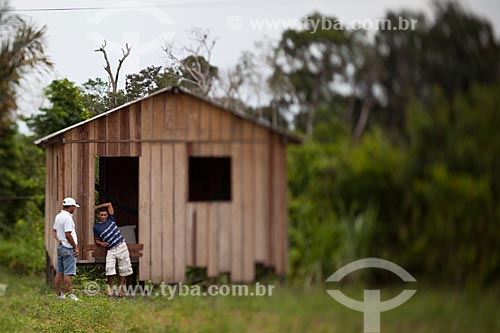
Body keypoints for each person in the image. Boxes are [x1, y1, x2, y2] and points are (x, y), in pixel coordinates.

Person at [93, 202, 133, 297]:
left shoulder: (111, 220)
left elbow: (109, 204)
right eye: (101, 215)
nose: (103, 216)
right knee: (109, 269)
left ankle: (120, 289)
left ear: (107, 215)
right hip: (110, 249)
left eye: (105, 215)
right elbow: (96, 240)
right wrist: (102, 243)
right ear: (98, 216)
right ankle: (110, 288)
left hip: (121, 246)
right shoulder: (96, 227)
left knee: (123, 268)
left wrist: (97, 207)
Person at [52, 197, 80, 301]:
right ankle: (70, 294)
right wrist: (75, 247)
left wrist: (58, 239)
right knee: (68, 273)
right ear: (71, 207)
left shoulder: (58, 216)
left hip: (60, 247)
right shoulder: (68, 218)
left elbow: (54, 230)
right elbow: (68, 234)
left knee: (60, 272)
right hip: (68, 247)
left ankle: (59, 295)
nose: (74, 209)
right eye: (74, 207)